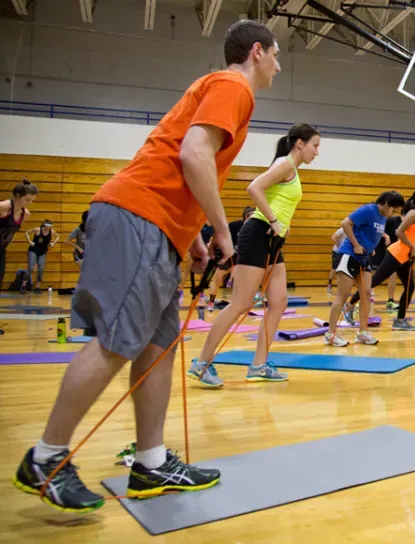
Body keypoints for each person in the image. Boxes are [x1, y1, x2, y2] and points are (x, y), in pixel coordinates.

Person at [12, 20, 280, 513]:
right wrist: (219, 231)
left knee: (157, 347)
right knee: (117, 341)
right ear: (256, 52)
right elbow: (194, 154)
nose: (278, 67)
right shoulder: (232, 86)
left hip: (157, 227)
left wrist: (191, 237)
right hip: (140, 215)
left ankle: (151, 463)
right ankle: (46, 457)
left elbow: (190, 162)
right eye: (276, 57)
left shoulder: (219, 88)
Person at [189, 124, 319, 387]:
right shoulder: (285, 164)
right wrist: (273, 220)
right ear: (300, 144)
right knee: (240, 304)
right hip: (258, 233)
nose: (317, 152)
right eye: (315, 146)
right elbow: (254, 188)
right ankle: (201, 363)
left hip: (272, 240)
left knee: (279, 301)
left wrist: (282, 224)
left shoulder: (290, 170)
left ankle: (259, 365)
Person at [343, 190, 415, 331]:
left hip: (406, 257)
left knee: (410, 287)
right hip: (397, 254)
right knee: (375, 281)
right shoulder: (413, 214)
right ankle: (349, 306)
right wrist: (412, 246)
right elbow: (399, 232)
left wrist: (411, 249)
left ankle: (400, 320)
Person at [326, 191, 405, 347]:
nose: (392, 214)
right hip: (349, 256)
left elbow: (371, 233)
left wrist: (371, 248)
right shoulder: (368, 210)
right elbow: (345, 224)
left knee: (366, 294)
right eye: (393, 210)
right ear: (387, 204)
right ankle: (331, 334)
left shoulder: (382, 217)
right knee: (342, 296)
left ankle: (362, 332)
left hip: (365, 259)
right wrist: (356, 245)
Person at [0, 179, 37, 333]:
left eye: (32, 201)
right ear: (16, 195)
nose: (29, 203)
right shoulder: (4, 207)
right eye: (27, 199)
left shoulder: (25, 214)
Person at [208, 206, 256, 308]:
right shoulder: (234, 226)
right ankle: (211, 302)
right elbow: (219, 233)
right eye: (250, 216)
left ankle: (239, 300)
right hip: (227, 253)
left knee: (242, 278)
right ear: (245, 217)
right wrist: (212, 246)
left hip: (241, 256)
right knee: (217, 278)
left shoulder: (256, 229)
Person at [23, 219, 58, 292]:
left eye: (49, 226)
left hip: (43, 252)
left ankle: (37, 287)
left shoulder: (51, 232)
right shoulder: (37, 230)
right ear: (44, 225)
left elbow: (58, 236)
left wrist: (53, 243)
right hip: (33, 250)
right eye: (47, 226)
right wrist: (29, 241)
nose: (48, 228)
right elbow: (26, 233)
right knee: (31, 268)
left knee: (41, 269)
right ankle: (23, 285)